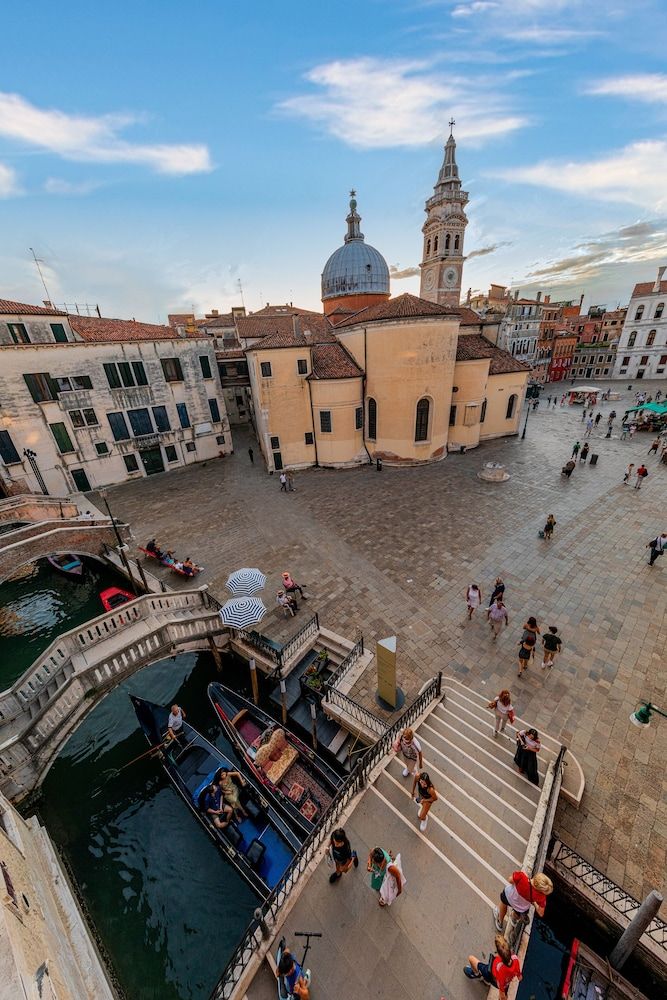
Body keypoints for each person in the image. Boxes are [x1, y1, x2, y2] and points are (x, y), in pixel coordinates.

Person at [464, 934, 522, 999]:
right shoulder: (515, 958)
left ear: (499, 955)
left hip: (491, 976)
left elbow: (501, 990)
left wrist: (502, 996)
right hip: (506, 983)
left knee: (471, 958)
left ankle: (477, 975)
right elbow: (519, 974)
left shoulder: (499, 967)